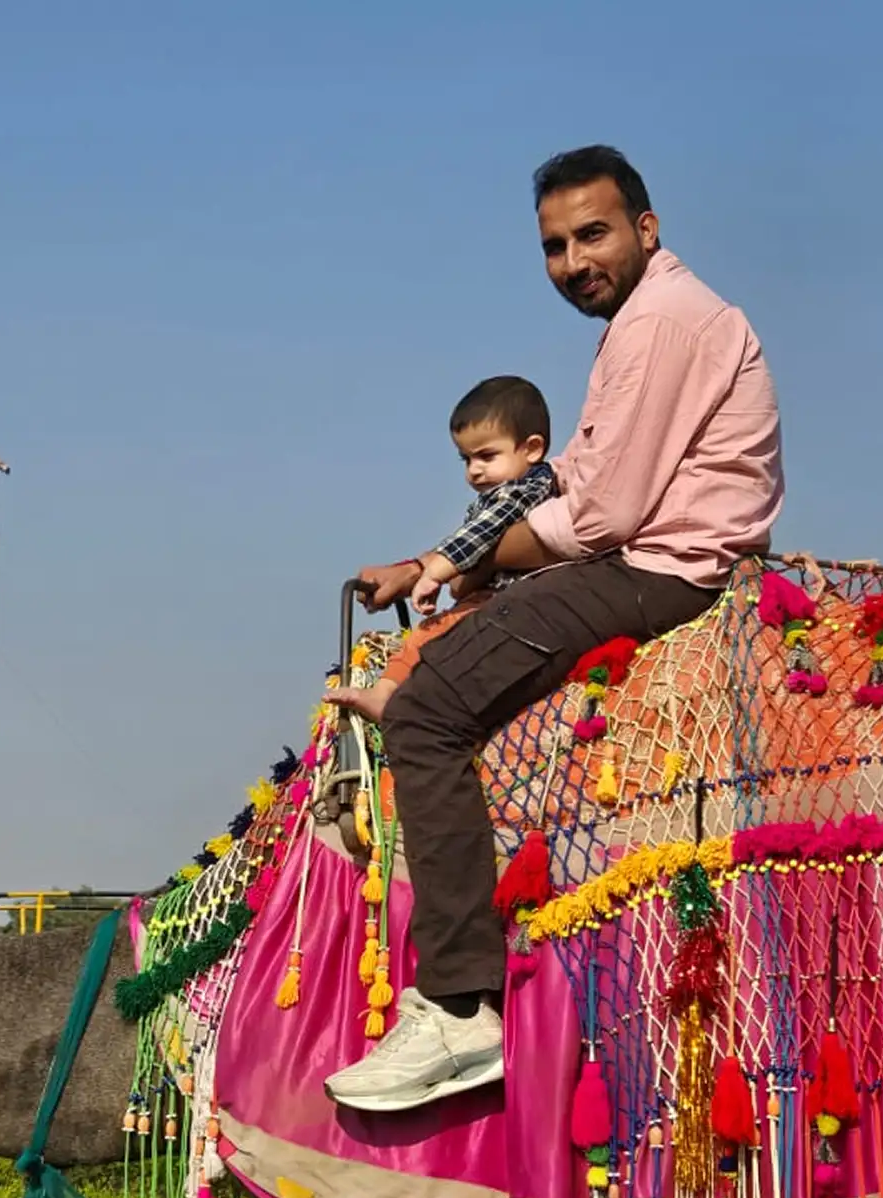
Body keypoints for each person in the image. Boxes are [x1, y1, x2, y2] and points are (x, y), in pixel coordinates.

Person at [325, 144, 784, 1114]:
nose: (574, 260)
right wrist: (431, 565)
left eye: (592, 234)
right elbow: (565, 476)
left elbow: (602, 512)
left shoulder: (658, 323)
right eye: (554, 246)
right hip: (636, 556)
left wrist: (472, 565)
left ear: (644, 228)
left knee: (427, 717)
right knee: (447, 654)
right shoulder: (638, 323)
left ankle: (456, 1009)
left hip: (658, 570)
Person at [325, 375, 556, 725]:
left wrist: (435, 572)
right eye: (466, 459)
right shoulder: (510, 488)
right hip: (499, 595)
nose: (475, 471)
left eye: (487, 456)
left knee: (433, 634)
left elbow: (481, 533)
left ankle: (386, 696)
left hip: (510, 599)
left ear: (532, 448)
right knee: (434, 630)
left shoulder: (521, 491)